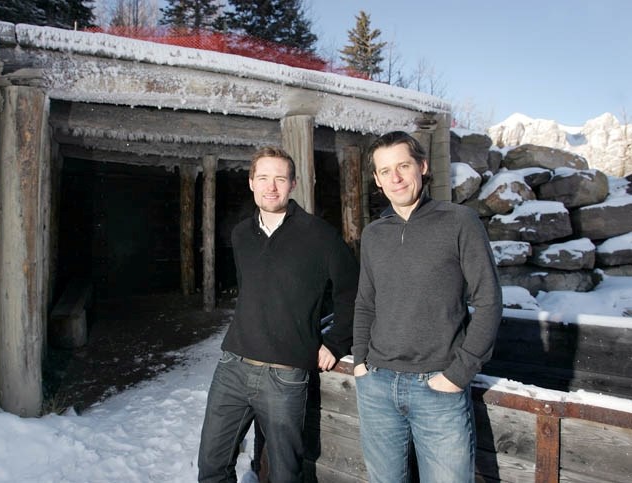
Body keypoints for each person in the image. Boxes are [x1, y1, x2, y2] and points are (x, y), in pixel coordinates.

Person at [198, 146, 359, 483]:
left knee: (284, 474)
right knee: (212, 467)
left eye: (280, 179)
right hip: (233, 367)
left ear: (293, 184)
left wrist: (336, 341)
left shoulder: (321, 235)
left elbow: (354, 292)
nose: (271, 187)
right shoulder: (241, 235)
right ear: (251, 182)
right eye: (263, 178)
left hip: (285, 376)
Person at [352, 131, 502, 483]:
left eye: (403, 166)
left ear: (422, 166)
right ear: (377, 180)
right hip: (377, 385)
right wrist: (360, 362)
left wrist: (458, 374)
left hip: (438, 387)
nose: (396, 178)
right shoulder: (374, 234)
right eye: (385, 171)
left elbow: (489, 300)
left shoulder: (459, 221)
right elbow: (365, 304)